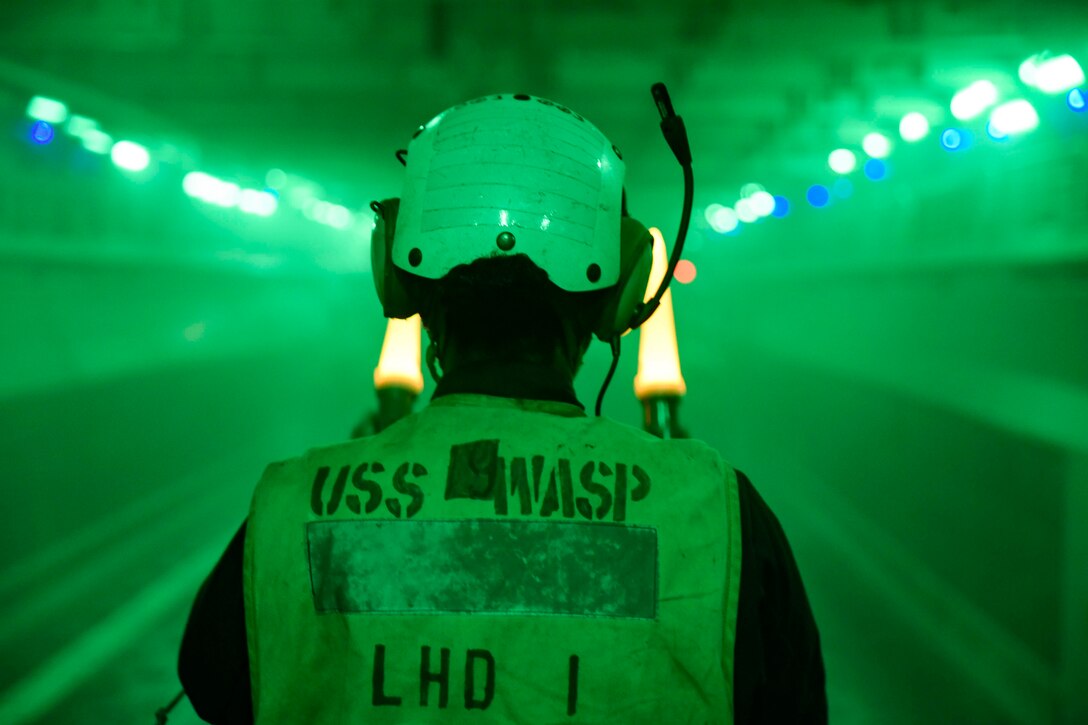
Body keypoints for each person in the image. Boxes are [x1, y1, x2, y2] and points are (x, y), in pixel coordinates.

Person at [178, 92, 826, 723]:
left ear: (399, 279)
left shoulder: (291, 506)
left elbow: (219, 681)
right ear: (622, 297)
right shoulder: (719, 514)